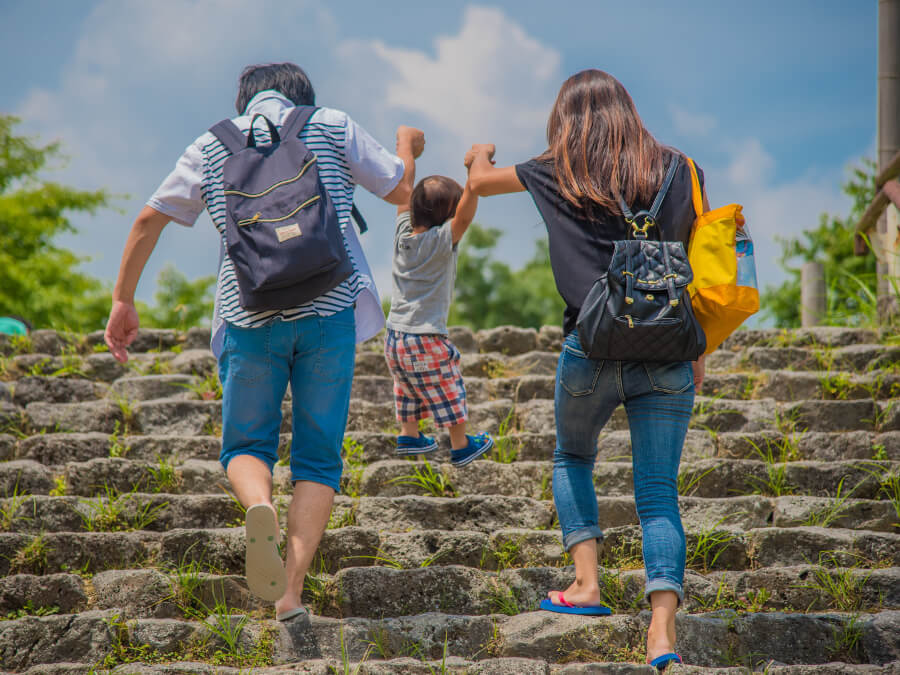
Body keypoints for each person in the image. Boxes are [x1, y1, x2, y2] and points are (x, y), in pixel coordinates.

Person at [103, 62, 424, 622]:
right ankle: (290, 595)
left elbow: (147, 219)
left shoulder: (210, 143)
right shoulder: (330, 124)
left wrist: (123, 300)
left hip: (250, 315)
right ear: (304, 96)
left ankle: (260, 507)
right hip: (328, 312)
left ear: (244, 101)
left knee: (245, 447)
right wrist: (406, 144)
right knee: (318, 461)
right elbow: (403, 190)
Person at [464, 69, 709, 670]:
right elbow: (701, 265)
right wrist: (698, 355)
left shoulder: (557, 169)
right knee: (658, 494)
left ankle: (586, 586)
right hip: (670, 349)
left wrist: (480, 153)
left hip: (590, 346)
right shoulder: (682, 169)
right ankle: (661, 633)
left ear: (565, 120)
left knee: (572, 457)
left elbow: (478, 182)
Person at [383, 159, 494, 465]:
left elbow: (405, 190)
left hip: (394, 338)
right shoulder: (442, 241)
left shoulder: (401, 235)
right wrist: (476, 169)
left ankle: (409, 433)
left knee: (406, 386)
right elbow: (466, 214)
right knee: (448, 384)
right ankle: (460, 445)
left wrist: (406, 147)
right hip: (426, 337)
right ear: (447, 217)